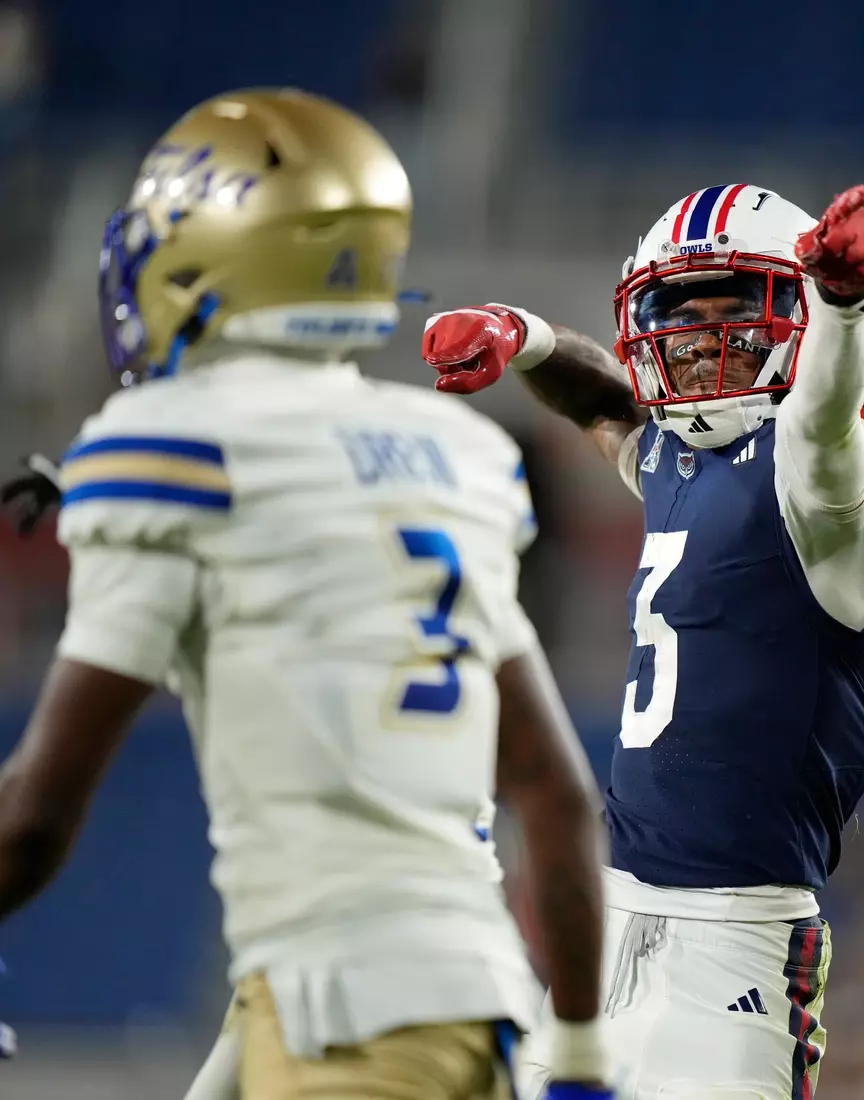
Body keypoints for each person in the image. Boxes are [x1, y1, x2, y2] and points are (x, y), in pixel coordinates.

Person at [0, 87, 613, 1100]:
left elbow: (34, 816)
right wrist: (584, 1057)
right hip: (461, 1000)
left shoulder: (167, 448)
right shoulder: (455, 451)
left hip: (347, 1018)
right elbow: (554, 790)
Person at [422, 183, 864, 1100]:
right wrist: (523, 337)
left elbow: (822, 422)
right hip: (610, 919)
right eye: (681, 313)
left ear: (793, 309)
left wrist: (845, 305)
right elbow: (600, 400)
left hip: (737, 949)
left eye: (734, 311)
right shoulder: (677, 456)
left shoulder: (815, 480)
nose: (703, 338)